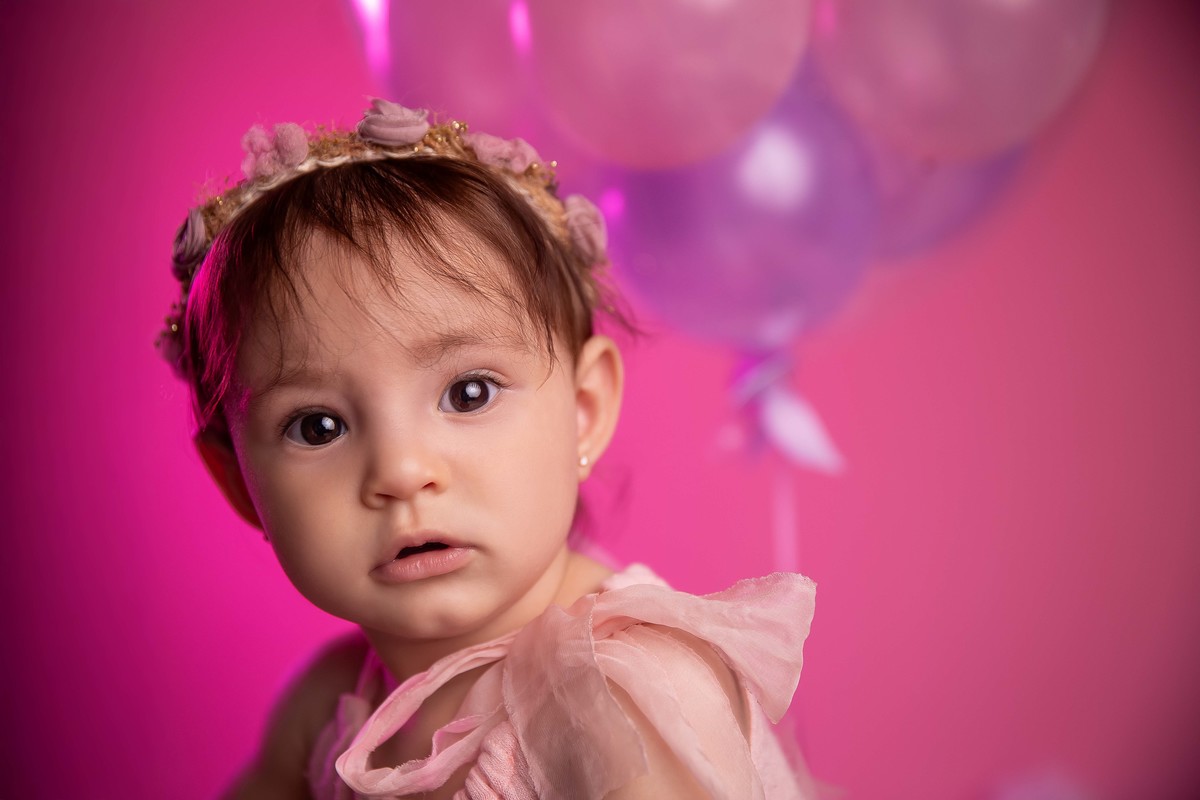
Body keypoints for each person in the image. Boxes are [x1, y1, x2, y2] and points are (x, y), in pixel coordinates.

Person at [159, 98, 818, 799]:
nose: (402, 472)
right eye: (319, 426)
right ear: (239, 482)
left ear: (583, 411)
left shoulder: (619, 700)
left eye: (468, 393)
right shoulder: (328, 706)